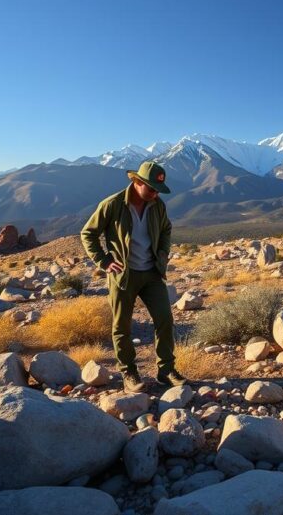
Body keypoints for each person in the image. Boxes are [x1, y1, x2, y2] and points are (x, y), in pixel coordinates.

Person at [80, 160, 187, 392]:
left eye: (158, 190)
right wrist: (104, 261)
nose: (156, 193)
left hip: (152, 273)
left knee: (165, 319)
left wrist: (163, 253)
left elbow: (166, 229)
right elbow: (88, 233)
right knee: (122, 326)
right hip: (123, 275)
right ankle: (129, 372)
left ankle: (166, 370)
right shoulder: (113, 204)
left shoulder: (157, 205)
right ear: (137, 182)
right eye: (151, 189)